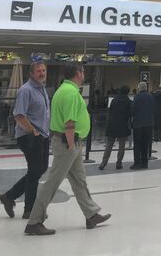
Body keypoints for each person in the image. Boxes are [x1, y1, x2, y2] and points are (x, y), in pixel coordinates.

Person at [24, 63, 110, 235]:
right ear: (78, 73)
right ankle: (34, 221)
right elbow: (69, 123)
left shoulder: (63, 89)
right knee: (53, 182)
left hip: (71, 143)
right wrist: (71, 145)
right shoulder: (71, 93)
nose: (84, 74)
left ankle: (91, 214)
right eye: (83, 72)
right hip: (68, 143)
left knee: (79, 180)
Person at [0, 61, 50, 220]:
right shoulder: (26, 90)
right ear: (31, 74)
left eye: (43, 70)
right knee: (35, 171)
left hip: (42, 135)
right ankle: (29, 209)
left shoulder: (42, 89)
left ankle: (9, 196)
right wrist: (33, 131)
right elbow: (19, 115)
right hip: (30, 136)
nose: (42, 73)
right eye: (38, 71)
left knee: (40, 169)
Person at [99, 85, 132, 170]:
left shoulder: (114, 100)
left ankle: (103, 163)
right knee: (122, 145)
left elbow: (110, 111)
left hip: (112, 125)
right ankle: (118, 163)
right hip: (123, 125)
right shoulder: (128, 101)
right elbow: (130, 113)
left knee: (109, 145)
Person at [131, 82, 154, 170]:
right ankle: (145, 163)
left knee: (137, 144)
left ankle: (137, 163)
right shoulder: (151, 96)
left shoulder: (137, 97)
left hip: (138, 124)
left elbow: (133, 109)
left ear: (139, 88)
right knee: (145, 144)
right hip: (149, 124)